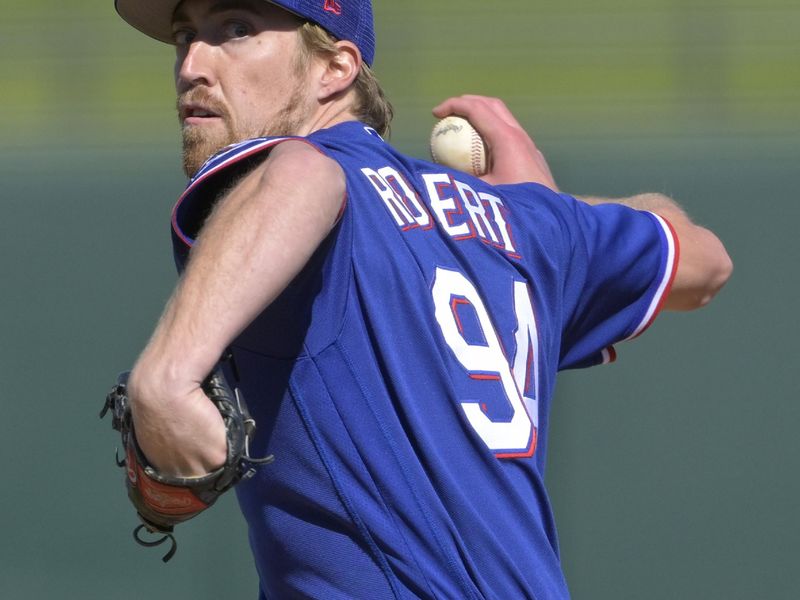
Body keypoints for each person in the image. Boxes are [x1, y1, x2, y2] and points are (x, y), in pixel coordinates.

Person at [113, 0, 732, 597]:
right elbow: (702, 259)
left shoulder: (293, 172)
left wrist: (165, 378)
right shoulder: (520, 227)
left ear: (336, 69)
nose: (193, 62)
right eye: (185, 35)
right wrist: (545, 212)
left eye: (237, 28)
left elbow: (304, 175)